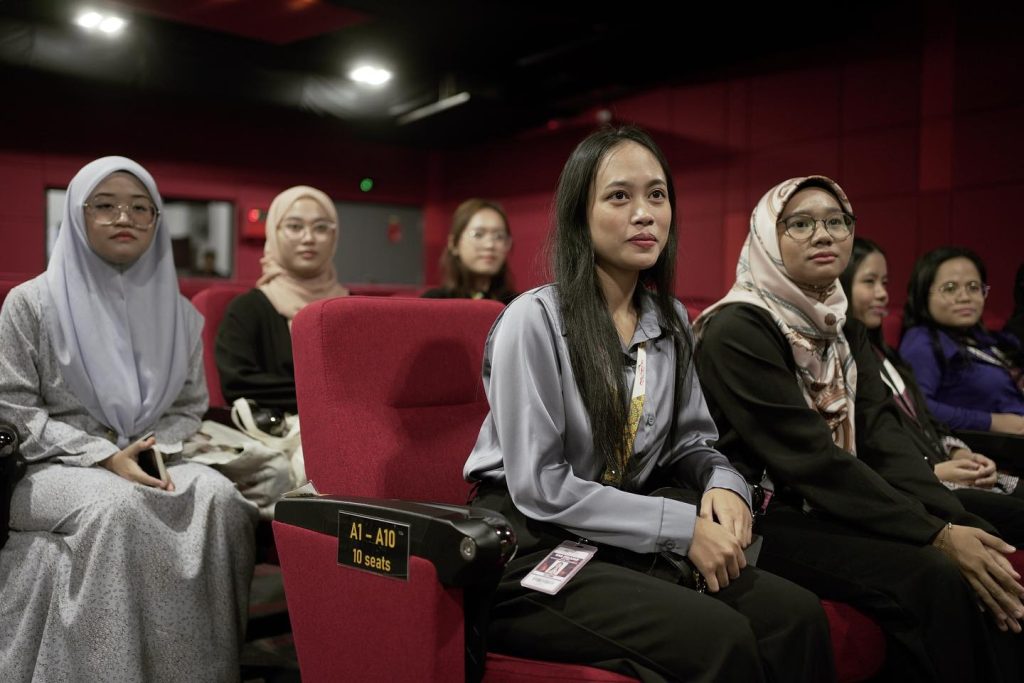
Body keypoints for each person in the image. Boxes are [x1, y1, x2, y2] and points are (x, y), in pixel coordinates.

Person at [465, 127, 833, 683]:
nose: (644, 214)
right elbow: (542, 486)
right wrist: (683, 527)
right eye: (619, 196)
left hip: (618, 528)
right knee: (719, 637)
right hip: (531, 542)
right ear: (579, 215)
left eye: (657, 195)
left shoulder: (671, 319)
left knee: (796, 618)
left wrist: (723, 484)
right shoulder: (533, 319)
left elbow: (691, 442)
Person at [693, 175, 1024, 682]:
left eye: (836, 221)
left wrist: (954, 520)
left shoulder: (839, 320)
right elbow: (810, 462)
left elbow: (881, 434)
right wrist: (936, 534)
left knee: (984, 542)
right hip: (764, 512)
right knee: (933, 572)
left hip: (831, 497)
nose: (823, 235)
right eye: (800, 224)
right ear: (766, 237)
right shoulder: (737, 328)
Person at [0, 156, 257, 681]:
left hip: (151, 454)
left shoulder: (180, 316)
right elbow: (14, 409)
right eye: (106, 206)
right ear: (78, 214)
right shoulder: (30, 304)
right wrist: (105, 456)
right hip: (52, 465)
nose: (125, 218)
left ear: (157, 221)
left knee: (221, 500)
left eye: (141, 208)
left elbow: (188, 406)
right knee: (116, 509)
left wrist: (148, 451)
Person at [841, 237, 1024, 542]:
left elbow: (925, 418)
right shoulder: (845, 361)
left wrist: (958, 450)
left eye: (885, 283)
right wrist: (933, 471)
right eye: (869, 282)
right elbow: (865, 444)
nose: (883, 294)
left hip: (945, 467)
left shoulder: (887, 354)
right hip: (919, 484)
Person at [216, 185, 348, 412]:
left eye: (321, 228)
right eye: (295, 227)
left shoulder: (354, 309)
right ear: (273, 233)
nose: (308, 238)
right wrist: (331, 396)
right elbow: (238, 384)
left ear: (334, 236)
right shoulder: (246, 310)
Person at [900, 247, 1024, 435]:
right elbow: (915, 408)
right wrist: (992, 422)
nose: (965, 297)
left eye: (973, 287)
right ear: (924, 294)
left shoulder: (991, 340)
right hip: (987, 447)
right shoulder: (922, 341)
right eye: (950, 288)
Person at [421, 198, 517, 304]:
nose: (490, 245)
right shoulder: (434, 302)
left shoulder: (518, 304)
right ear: (454, 243)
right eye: (478, 234)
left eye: (499, 236)